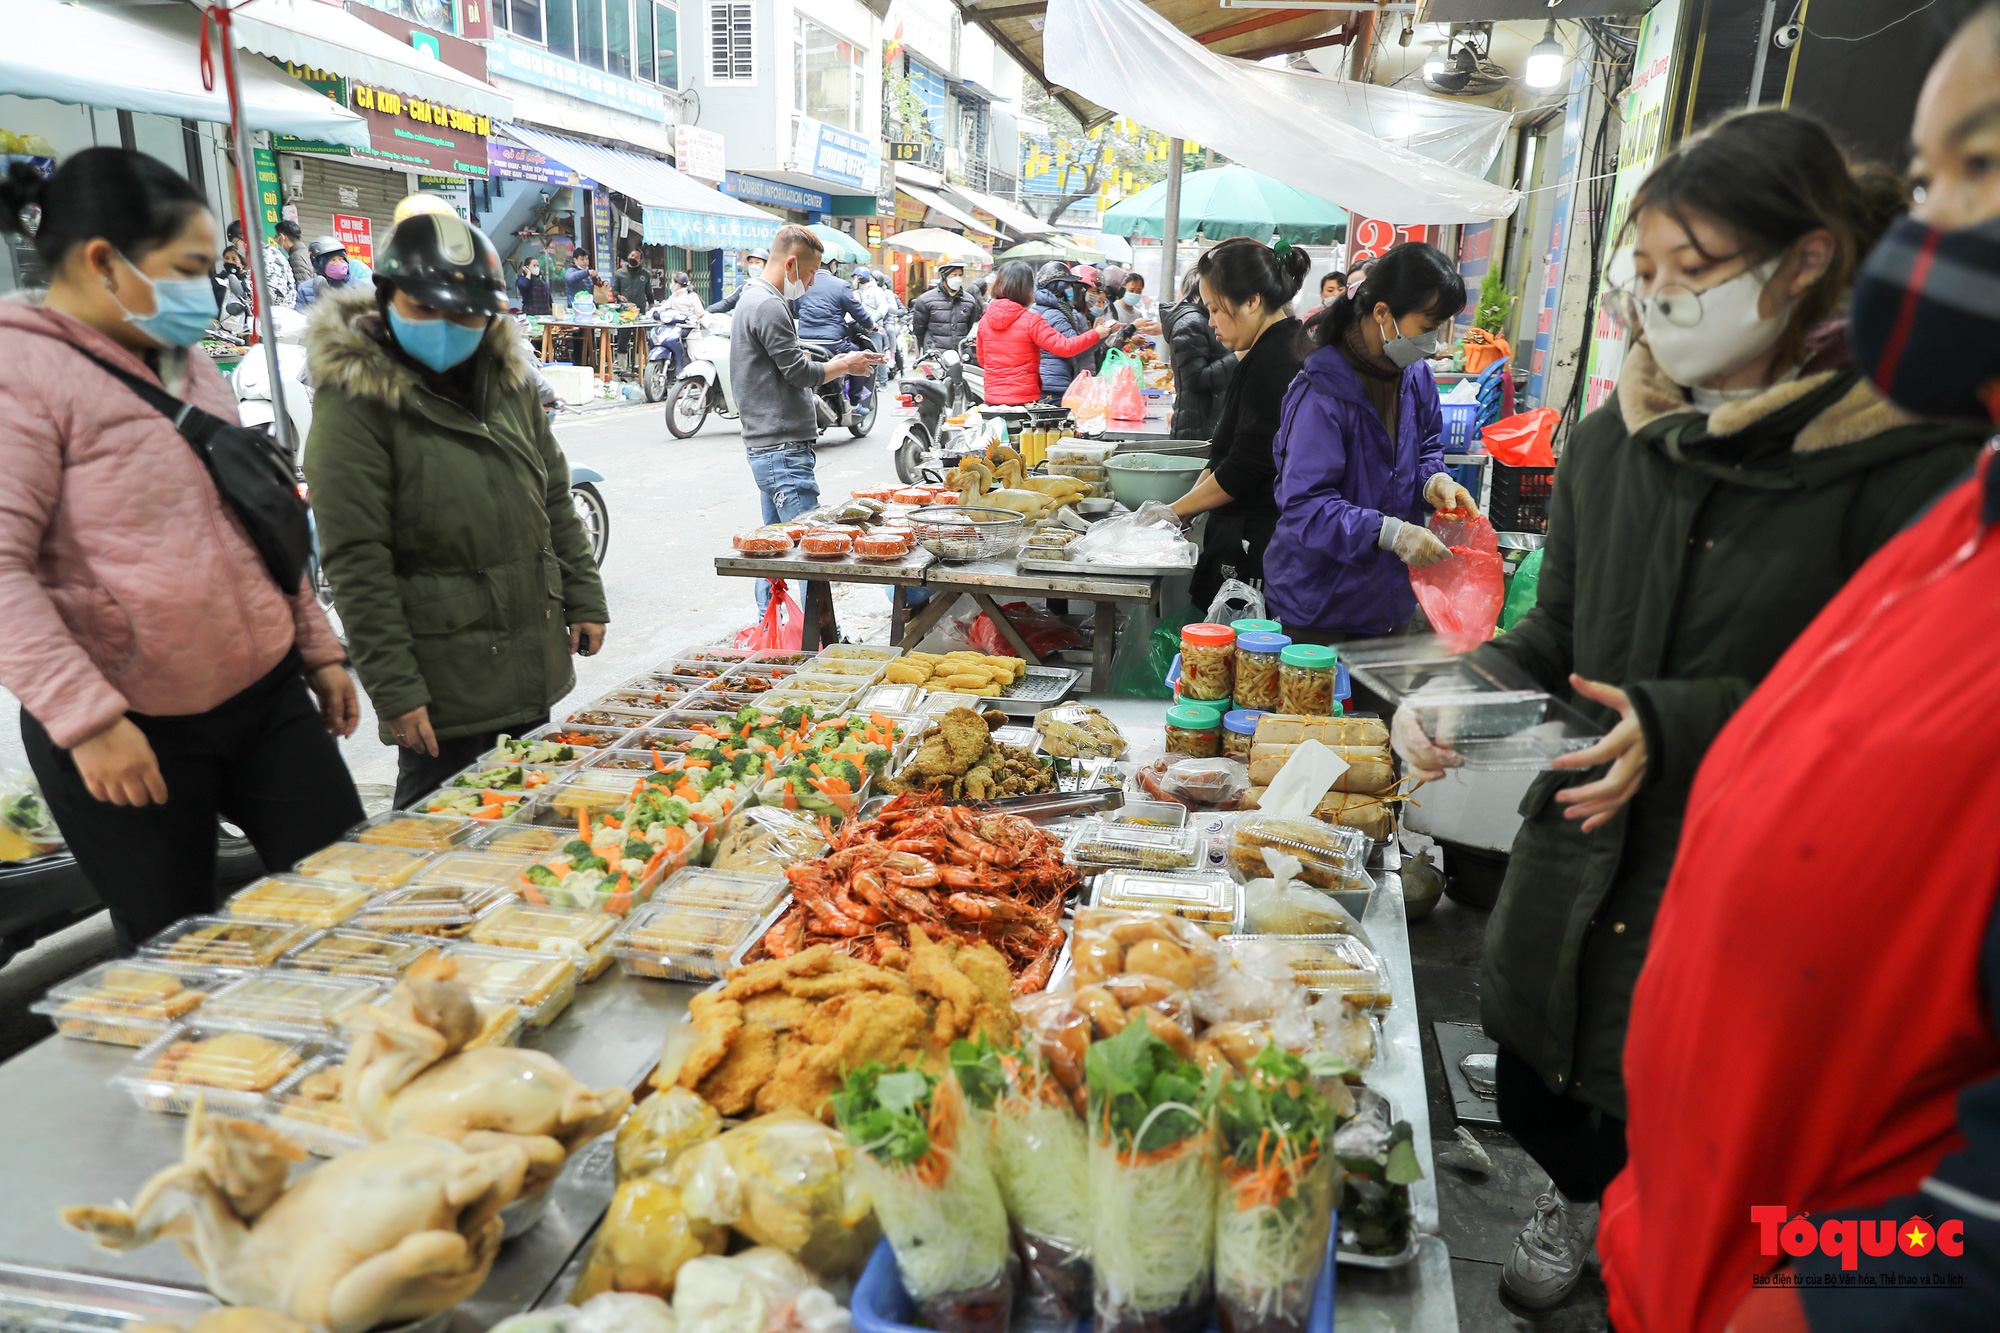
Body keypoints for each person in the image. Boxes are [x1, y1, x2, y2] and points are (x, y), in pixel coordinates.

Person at [1387, 109, 1990, 1314]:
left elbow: (1912, 717)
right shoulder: (1614, 443)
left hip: (1763, 905)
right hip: (1585, 856)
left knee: (1753, 1200)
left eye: (1692, 273)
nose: (1658, 302)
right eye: (1642, 274)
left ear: (1805, 260)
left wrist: (1680, 720)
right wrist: (1465, 683)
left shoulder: (1918, 464)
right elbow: (1562, 631)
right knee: (1565, 1097)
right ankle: (1594, 1214)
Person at [1600, 13, 2000, 1329]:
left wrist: (1809, 1290)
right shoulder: (1965, 522)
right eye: (1932, 183)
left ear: (1802, 263)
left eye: (1981, 169)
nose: (1937, 227)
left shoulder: (1898, 475)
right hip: (1702, 1233)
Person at [0, 149, 361, 949]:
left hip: (262, 690)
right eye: (189, 268)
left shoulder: (190, 363)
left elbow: (257, 517)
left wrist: (316, 646)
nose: (205, 291)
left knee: (353, 892)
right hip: (132, 716)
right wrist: (87, 719)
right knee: (178, 946)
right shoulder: (18, 372)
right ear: (104, 262)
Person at [302, 212, 609, 809]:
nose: (448, 326)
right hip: (442, 683)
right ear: (388, 299)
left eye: (467, 313)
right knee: (438, 836)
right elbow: (357, 562)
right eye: (426, 309)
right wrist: (395, 690)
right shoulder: (356, 402)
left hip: (526, 650)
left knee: (527, 816)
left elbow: (553, 495)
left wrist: (584, 595)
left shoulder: (508, 379)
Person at [1260, 243, 1470, 645]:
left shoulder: (1414, 376)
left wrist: (1434, 482)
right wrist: (1391, 533)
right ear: (1382, 314)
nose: (1434, 341)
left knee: (1383, 711)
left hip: (1388, 602)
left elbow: (1426, 445)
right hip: (1320, 605)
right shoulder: (1321, 392)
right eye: (1427, 326)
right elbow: (1305, 505)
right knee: (1311, 709)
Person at [729, 224, 882, 626]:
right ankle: (818, 643)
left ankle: (772, 632)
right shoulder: (767, 304)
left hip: (770, 445)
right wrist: (844, 364)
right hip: (781, 449)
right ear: (792, 263)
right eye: (812, 273)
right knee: (816, 550)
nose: (812, 282)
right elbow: (797, 372)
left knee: (773, 547)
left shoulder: (756, 297)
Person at [1160, 237, 1313, 606]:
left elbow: (1248, 464)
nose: (1211, 322)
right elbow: (1226, 452)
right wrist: (1185, 510)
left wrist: (1176, 510)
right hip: (1246, 530)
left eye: (1215, 309)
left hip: (1258, 538)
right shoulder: (1270, 348)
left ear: (1251, 301)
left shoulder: (1276, 359)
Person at [976, 260, 1135, 407]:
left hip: (992, 400)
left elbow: (983, 361)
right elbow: (1066, 347)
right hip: (1022, 400)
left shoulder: (984, 321)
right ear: (1025, 289)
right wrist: (1098, 333)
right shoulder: (1031, 320)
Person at [795, 259, 877, 420]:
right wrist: (871, 325)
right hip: (832, 344)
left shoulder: (803, 283)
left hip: (803, 343)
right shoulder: (841, 285)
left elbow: (796, 310)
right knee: (862, 357)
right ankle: (854, 402)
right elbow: (858, 312)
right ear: (833, 264)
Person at [1164, 267, 1235, 439]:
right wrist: (1239, 356)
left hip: (1208, 422)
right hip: (1197, 429)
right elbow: (1194, 378)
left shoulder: (1202, 319)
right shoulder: (1191, 322)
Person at [1031, 260, 1094, 403]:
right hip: (1054, 384)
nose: (1071, 289)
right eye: (1068, 286)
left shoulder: (1037, 309)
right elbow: (1075, 347)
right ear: (1057, 287)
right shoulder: (1055, 314)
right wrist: (1100, 334)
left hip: (1045, 381)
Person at [910, 261, 983, 352]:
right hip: (935, 355)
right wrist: (929, 346)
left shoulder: (969, 301)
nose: (957, 278)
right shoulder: (925, 300)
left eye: (960, 275)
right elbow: (919, 330)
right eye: (954, 274)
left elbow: (968, 325)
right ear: (944, 275)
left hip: (960, 353)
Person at [293, 236, 355, 308]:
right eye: (333, 260)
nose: (338, 263)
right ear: (319, 264)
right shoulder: (305, 289)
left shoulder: (358, 285)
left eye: (341, 259)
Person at [709, 247, 767, 314]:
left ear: (766, 265)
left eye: (757, 262)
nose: (753, 266)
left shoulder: (771, 286)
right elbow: (728, 301)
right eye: (751, 262)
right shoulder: (746, 285)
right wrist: (710, 310)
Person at [264, 218, 299, 310]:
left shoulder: (296, 257)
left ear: (282, 237)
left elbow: (300, 283)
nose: (276, 241)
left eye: (276, 237)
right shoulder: (300, 253)